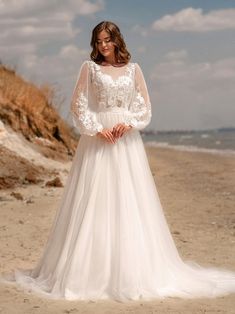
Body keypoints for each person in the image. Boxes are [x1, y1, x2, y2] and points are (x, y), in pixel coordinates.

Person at [1, 20, 235, 303]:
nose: (103, 46)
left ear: (117, 40)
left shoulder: (134, 69)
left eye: (107, 40)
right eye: (98, 41)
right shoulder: (89, 69)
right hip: (98, 139)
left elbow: (144, 106)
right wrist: (95, 128)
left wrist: (129, 123)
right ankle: (87, 271)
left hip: (125, 141)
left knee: (129, 201)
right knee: (94, 201)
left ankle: (132, 270)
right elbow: (78, 104)